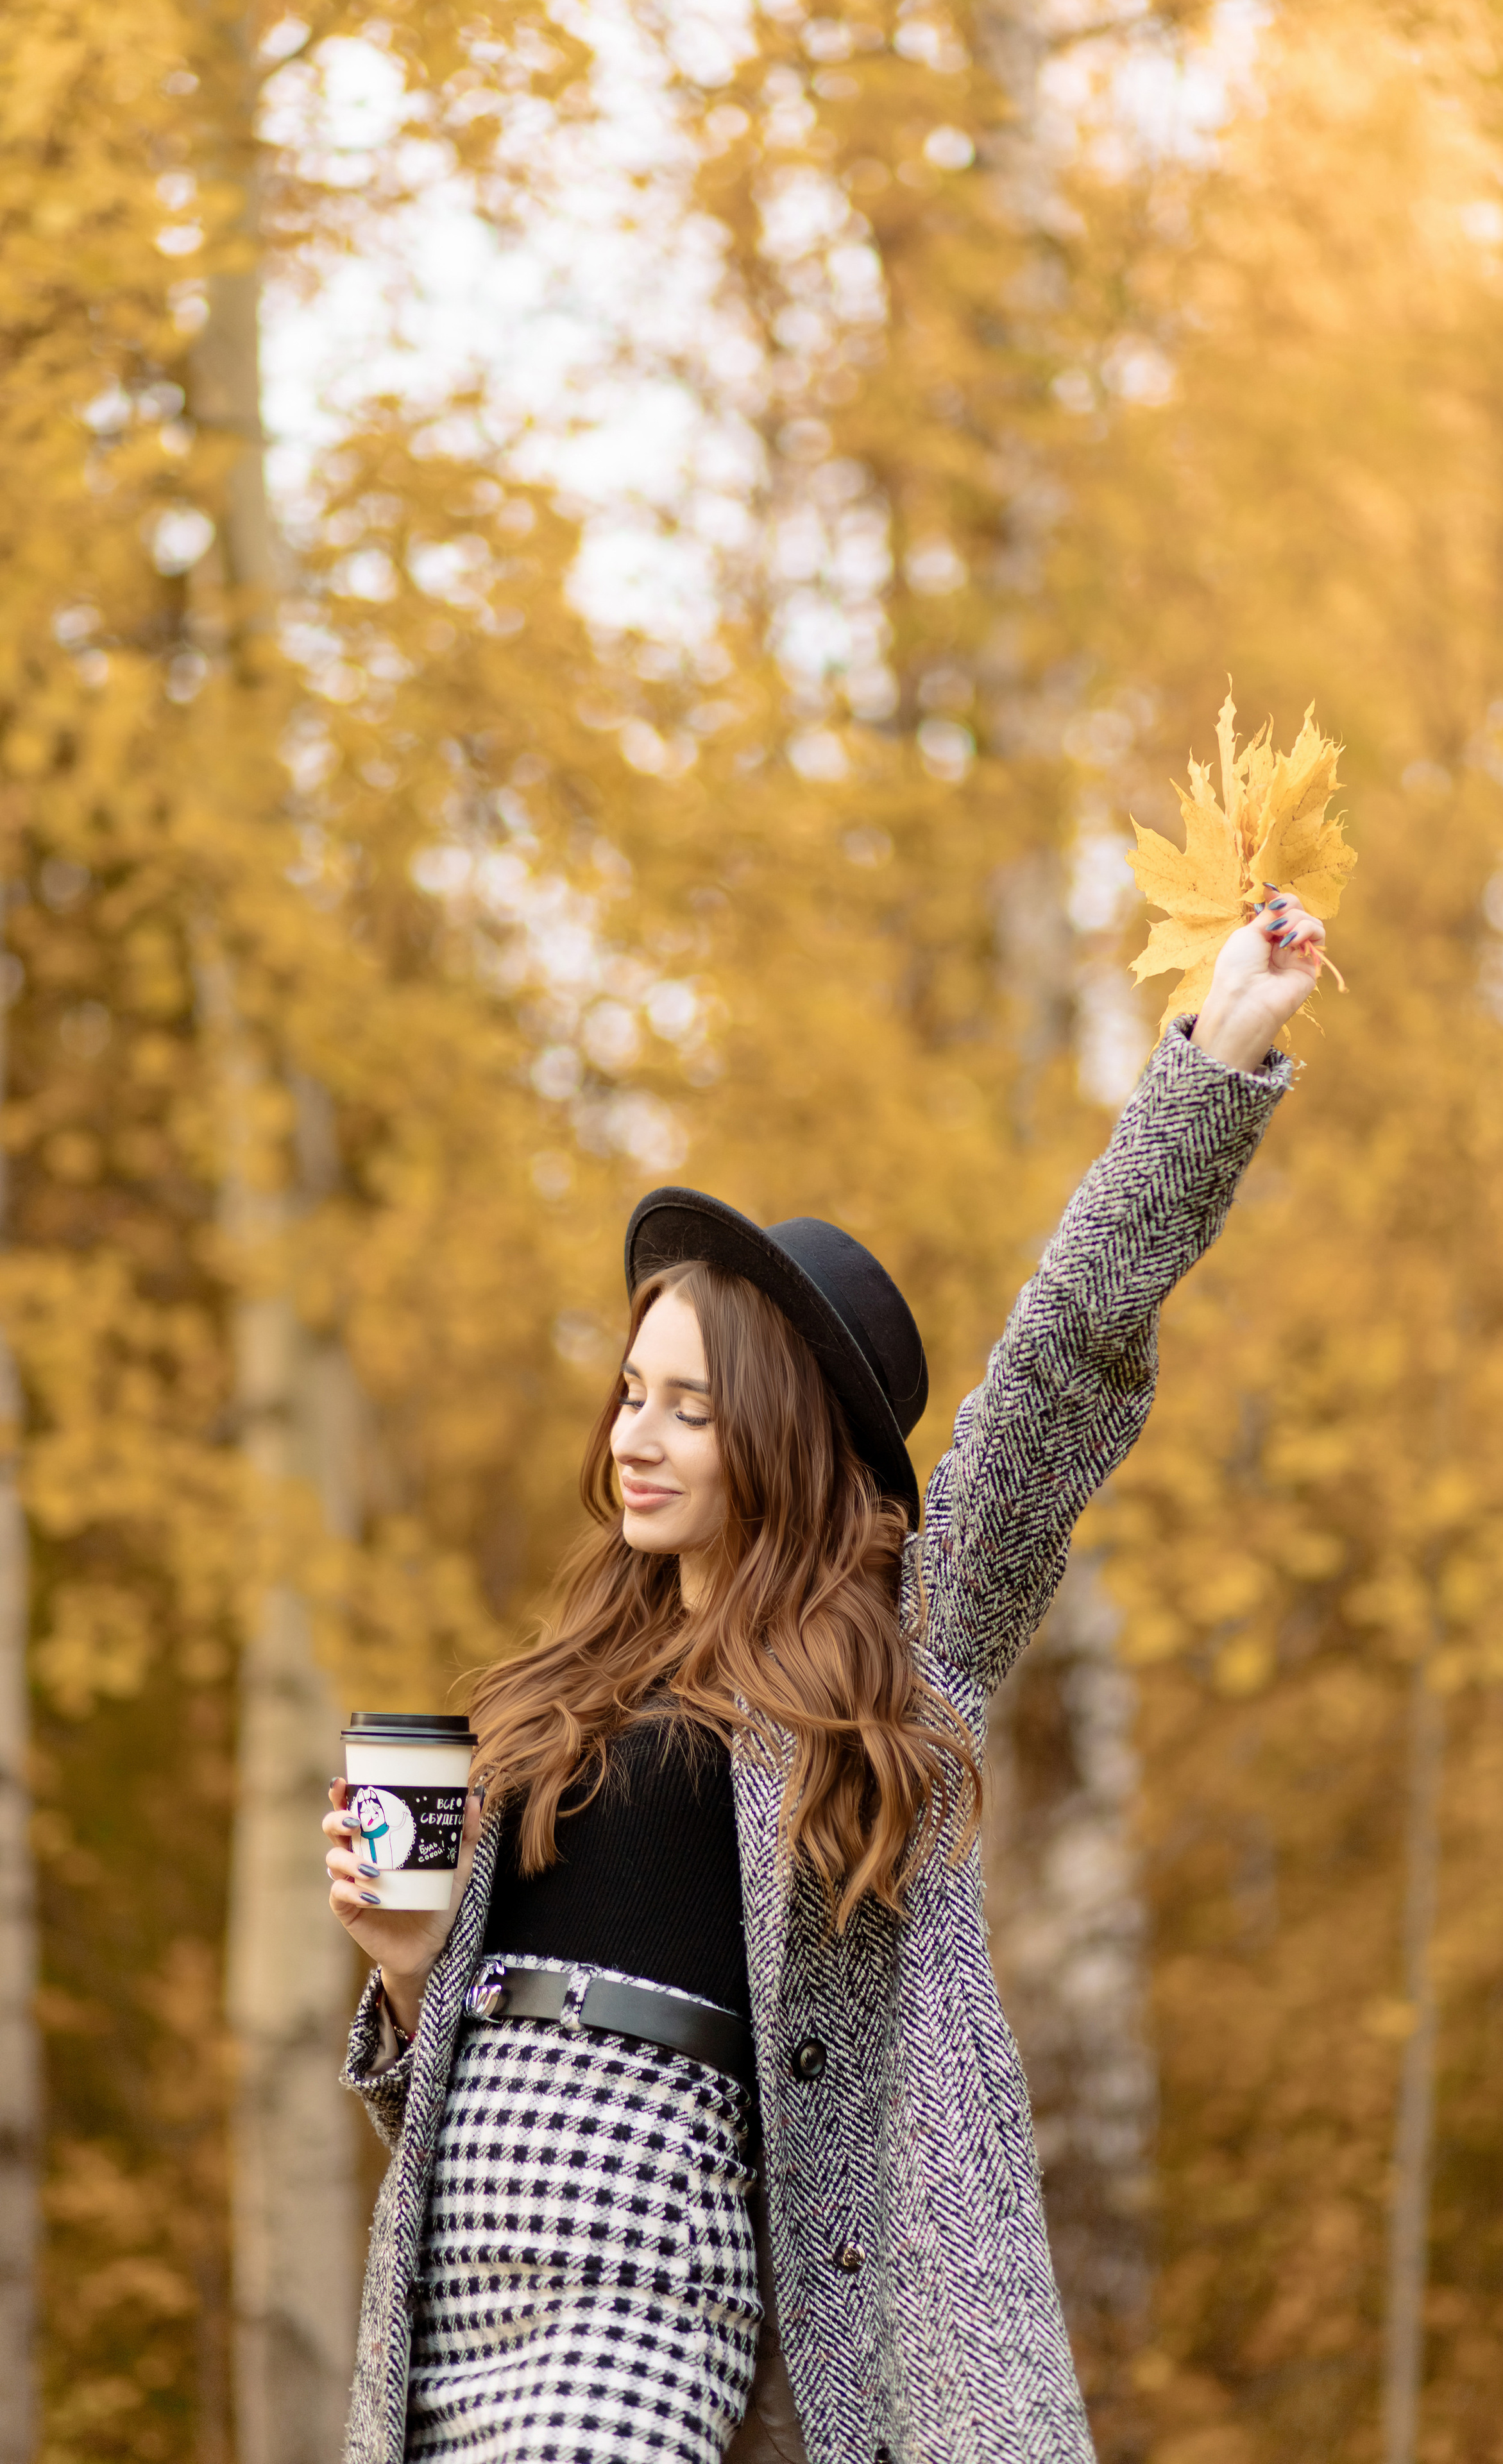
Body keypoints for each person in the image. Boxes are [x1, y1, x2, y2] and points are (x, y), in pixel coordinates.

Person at [324, 893, 1327, 2464]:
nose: (632, 1442)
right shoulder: (566, 1673)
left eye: (689, 1412)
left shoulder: (895, 1654)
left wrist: (1216, 1051)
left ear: (782, 1437)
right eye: (629, 1398)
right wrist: (400, 1962)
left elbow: (1069, 1355)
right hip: (456, 2276)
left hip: (647, 2275)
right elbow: (441, 2062)